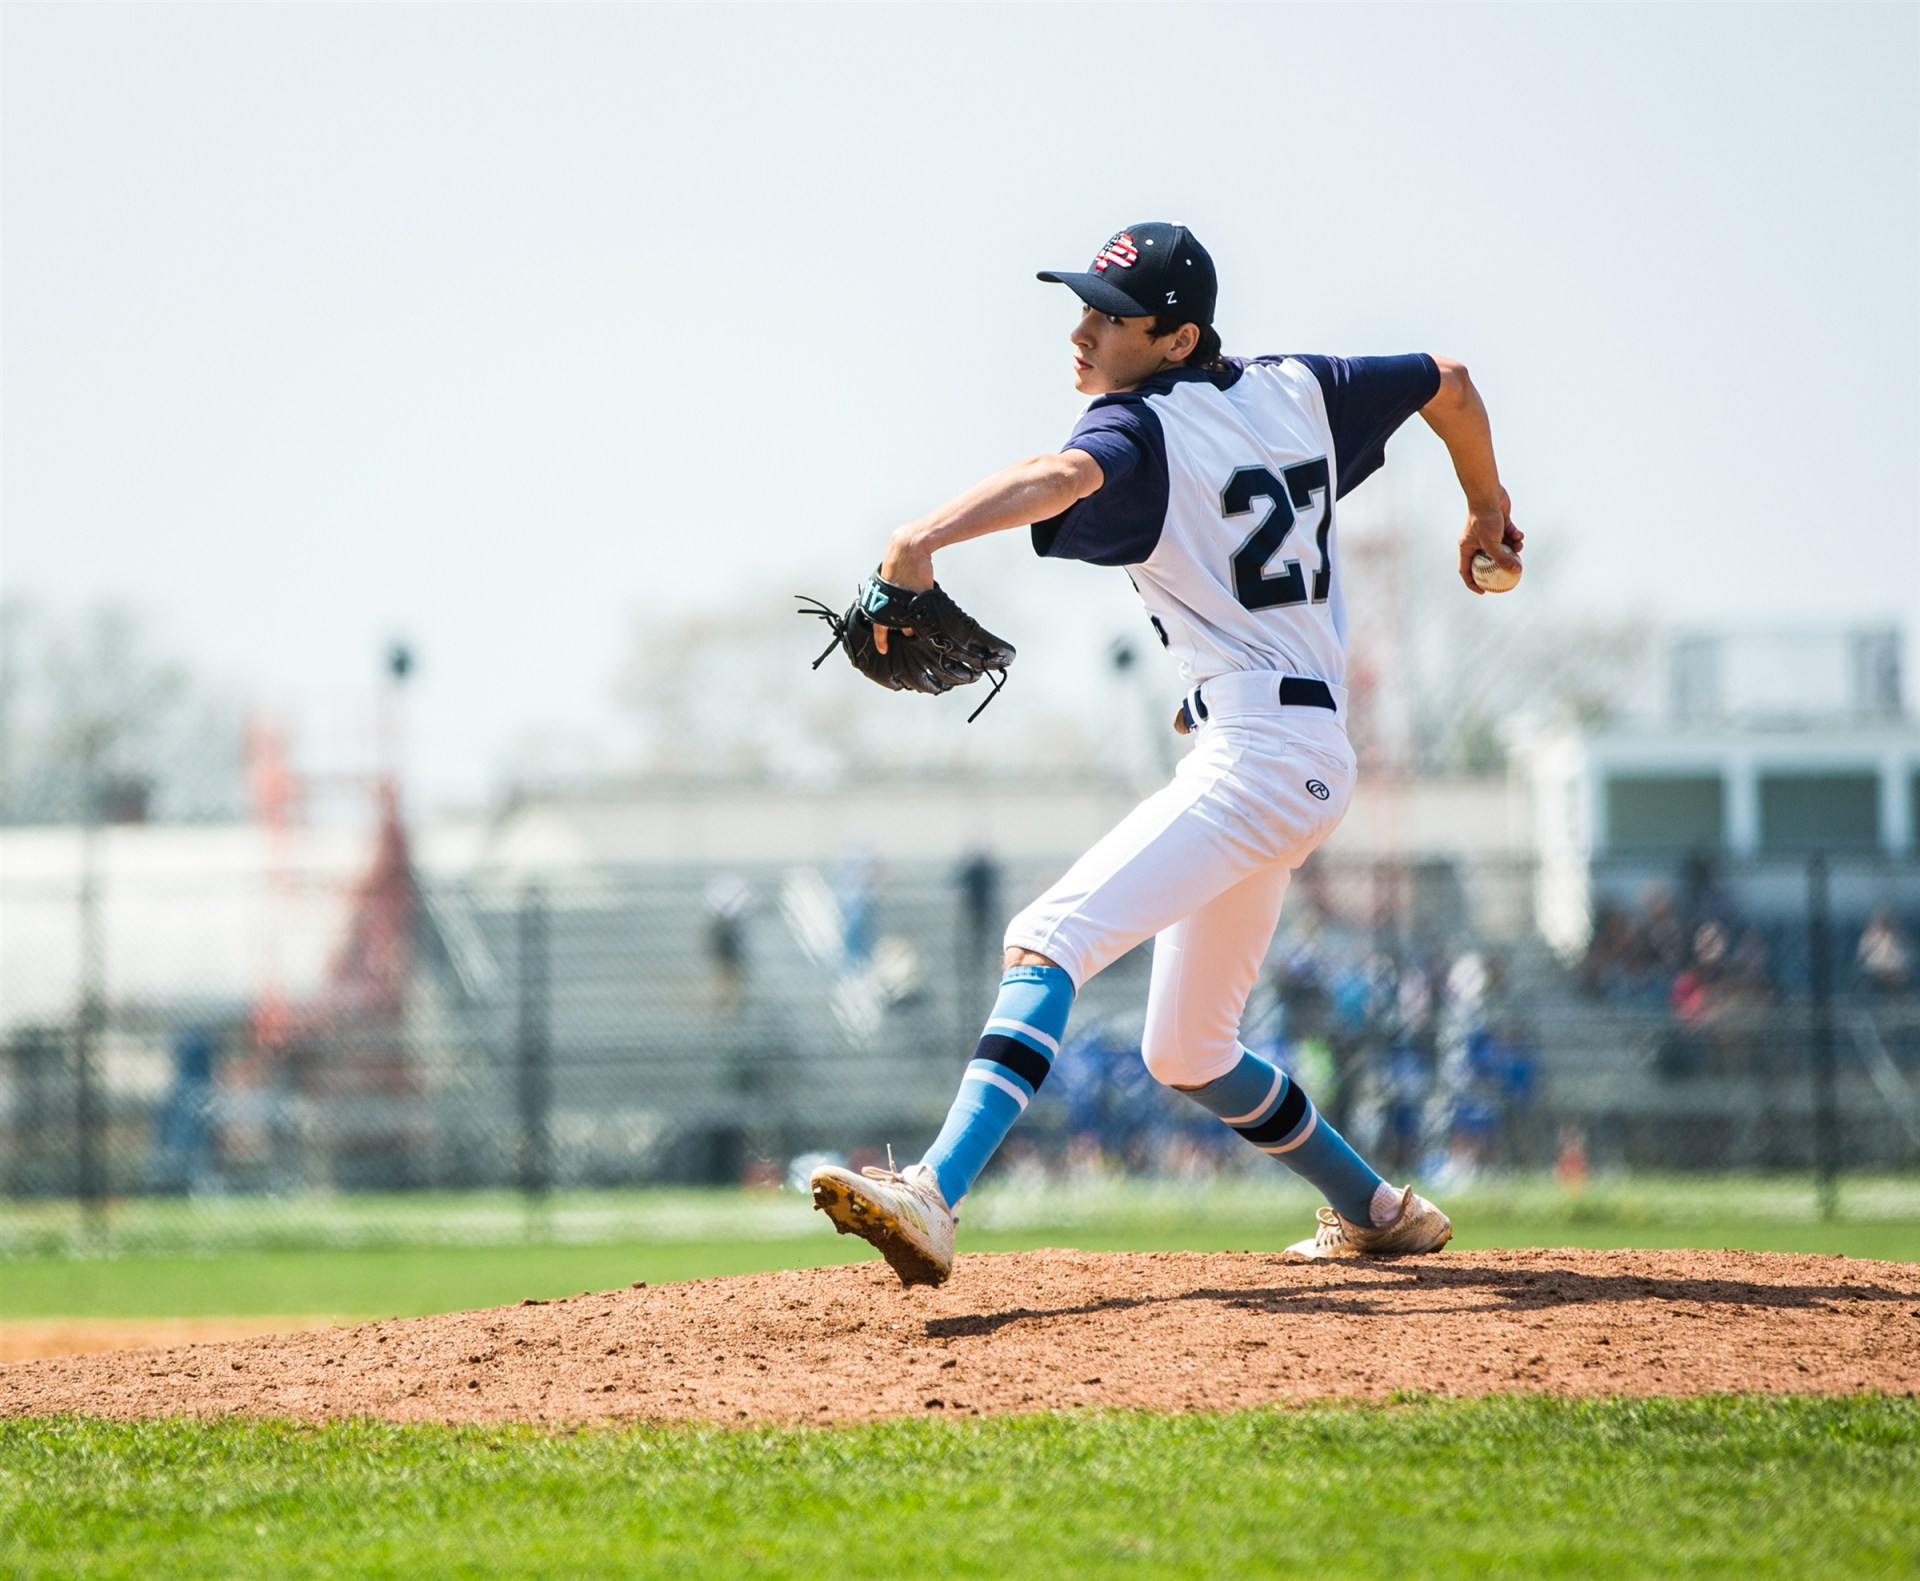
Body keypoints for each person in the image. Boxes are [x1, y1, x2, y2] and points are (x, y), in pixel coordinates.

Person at [809, 222, 1522, 1285]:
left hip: (1263, 754)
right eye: (1083, 307)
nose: (1082, 331)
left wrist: (919, 542)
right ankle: (1377, 1210)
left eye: (1110, 316)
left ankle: (935, 1193)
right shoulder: (1300, 388)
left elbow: (1062, 475)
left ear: (1179, 337)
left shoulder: (1137, 427)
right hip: (1289, 748)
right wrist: (1487, 505)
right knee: (1188, 1048)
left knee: (1046, 936)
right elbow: (1449, 382)